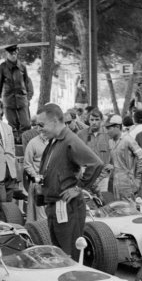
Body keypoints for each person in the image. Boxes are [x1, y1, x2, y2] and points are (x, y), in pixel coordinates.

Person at [37, 103, 102, 261]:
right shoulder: (54, 141)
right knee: (59, 255)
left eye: (41, 125)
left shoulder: (69, 140)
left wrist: (79, 188)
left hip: (67, 207)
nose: (39, 129)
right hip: (54, 206)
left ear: (54, 122)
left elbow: (96, 163)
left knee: (70, 256)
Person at [0, 43, 34, 136]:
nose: (13, 55)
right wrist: (5, 95)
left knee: (26, 124)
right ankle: (14, 141)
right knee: (12, 126)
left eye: (15, 53)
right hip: (9, 100)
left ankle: (24, 141)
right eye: (11, 53)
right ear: (7, 54)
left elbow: (26, 82)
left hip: (22, 100)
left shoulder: (22, 67)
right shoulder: (1, 68)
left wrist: (26, 97)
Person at [106, 115, 142, 202]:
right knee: (119, 206)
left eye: (109, 128)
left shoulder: (128, 139)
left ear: (117, 127)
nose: (107, 131)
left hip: (128, 181)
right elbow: (111, 162)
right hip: (115, 182)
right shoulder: (111, 142)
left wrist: (138, 179)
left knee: (129, 207)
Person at [78, 109, 112, 193]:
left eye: (97, 120)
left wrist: (111, 165)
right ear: (88, 120)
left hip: (103, 176)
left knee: (103, 198)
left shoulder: (108, 134)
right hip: (87, 176)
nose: (94, 122)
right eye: (92, 120)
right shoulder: (81, 134)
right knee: (87, 198)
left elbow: (115, 152)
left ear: (101, 120)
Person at [23, 121, 48, 221]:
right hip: (39, 183)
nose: (42, 129)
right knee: (41, 217)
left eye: (44, 126)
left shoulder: (55, 141)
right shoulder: (32, 143)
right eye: (40, 127)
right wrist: (36, 177)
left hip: (53, 183)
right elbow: (27, 164)